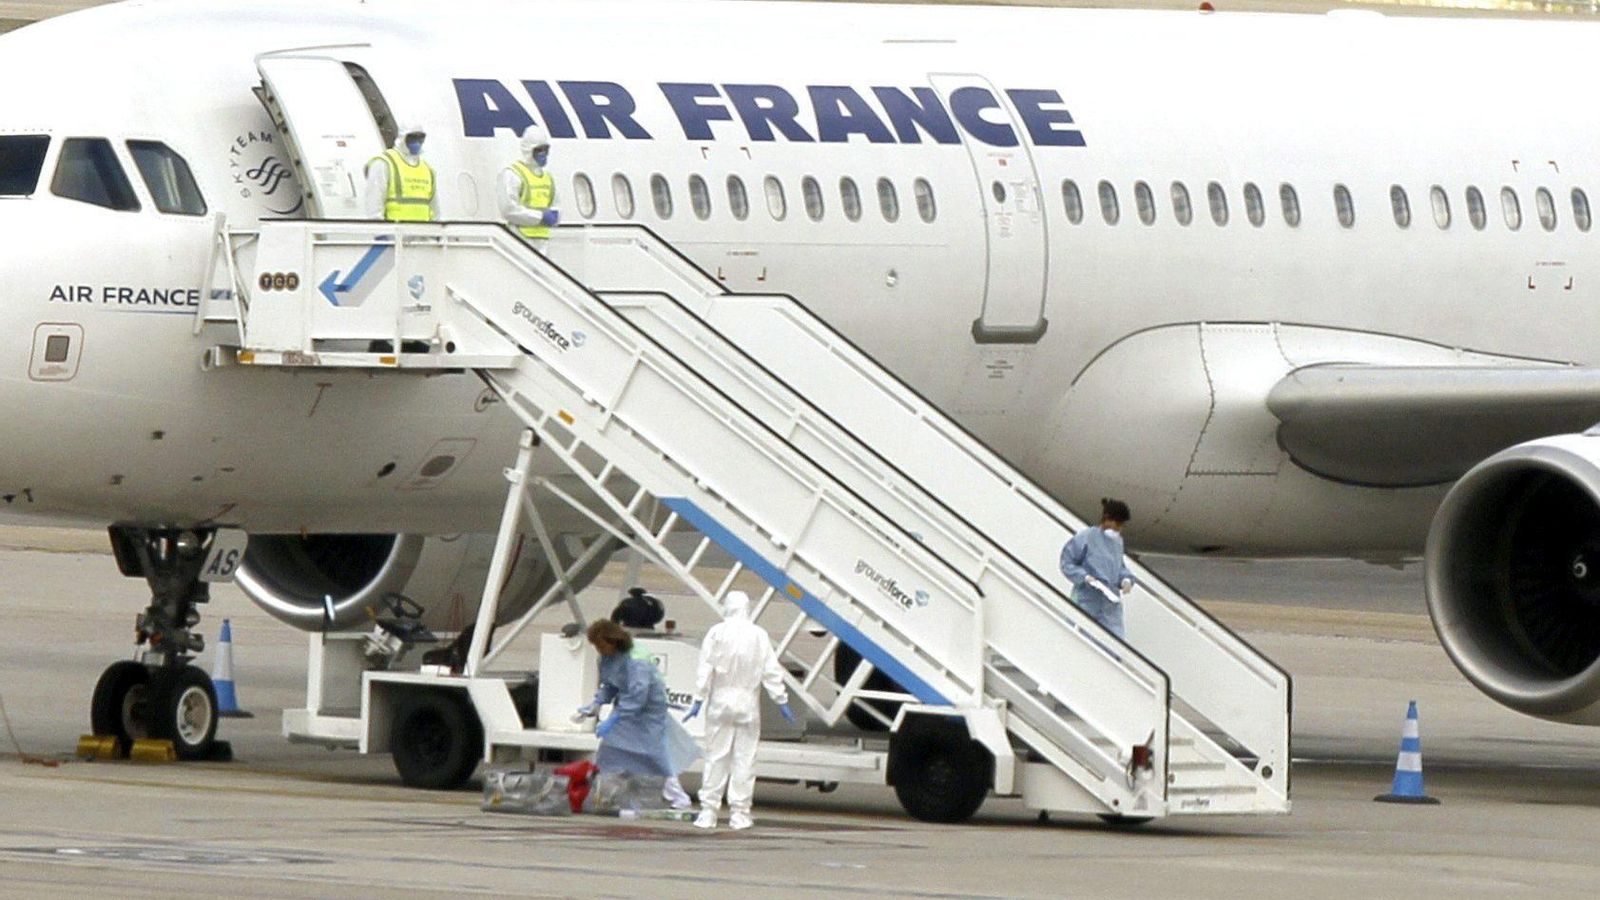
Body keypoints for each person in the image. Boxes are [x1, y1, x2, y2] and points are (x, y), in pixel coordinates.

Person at [683, 590, 795, 831]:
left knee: (716, 757)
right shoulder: (759, 635)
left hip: (720, 702)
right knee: (745, 759)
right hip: (747, 703)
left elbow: (705, 670)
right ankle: (740, 814)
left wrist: (697, 700)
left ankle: (708, 812)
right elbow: (771, 671)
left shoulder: (716, 633)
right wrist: (781, 700)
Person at [576, 619, 698, 812]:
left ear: (613, 641)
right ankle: (606, 794)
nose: (599, 650)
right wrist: (596, 703)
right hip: (626, 708)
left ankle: (678, 797)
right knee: (611, 751)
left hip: (648, 711)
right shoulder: (608, 658)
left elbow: (638, 694)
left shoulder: (637, 660)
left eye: (600, 645)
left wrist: (615, 718)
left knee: (652, 755)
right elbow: (610, 684)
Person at [1059, 498, 1137, 639]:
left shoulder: (1117, 542)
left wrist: (1126, 579)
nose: (1119, 528)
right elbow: (1067, 562)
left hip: (1110, 605)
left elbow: (1119, 567)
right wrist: (1084, 577)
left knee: (1115, 642)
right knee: (1081, 638)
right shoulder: (1086, 537)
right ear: (1107, 519)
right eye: (1118, 523)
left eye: (1122, 525)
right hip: (1087, 599)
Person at [499, 125, 558, 250]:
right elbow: (508, 210)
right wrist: (540, 217)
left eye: (546, 150)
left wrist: (555, 216)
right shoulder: (513, 174)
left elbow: (555, 205)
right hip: (520, 238)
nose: (544, 155)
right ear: (529, 151)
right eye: (539, 150)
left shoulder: (548, 178)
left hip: (543, 239)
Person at [365, 121, 437, 222]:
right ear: (402, 138)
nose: (417, 143)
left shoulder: (427, 169)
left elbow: (434, 205)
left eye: (420, 138)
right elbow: (374, 200)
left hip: (424, 234)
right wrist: (380, 231)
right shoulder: (385, 163)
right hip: (396, 233)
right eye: (412, 138)